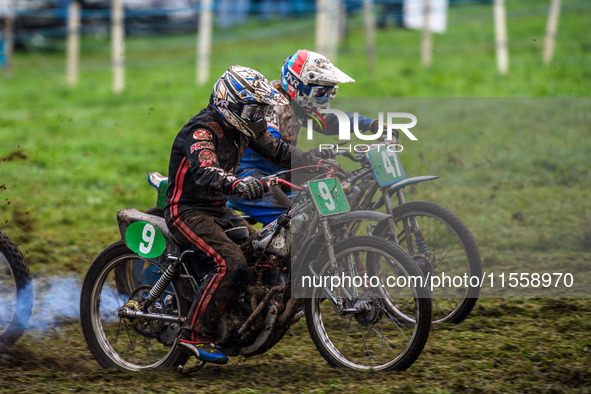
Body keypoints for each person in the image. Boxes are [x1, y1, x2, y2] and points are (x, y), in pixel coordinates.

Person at [164, 65, 330, 364]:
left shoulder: (245, 127)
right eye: (253, 111)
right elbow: (206, 169)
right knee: (231, 263)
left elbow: (279, 151)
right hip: (187, 212)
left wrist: (316, 161)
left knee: (263, 254)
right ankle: (193, 334)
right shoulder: (201, 131)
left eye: (260, 112)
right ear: (230, 104)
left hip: (219, 210)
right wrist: (238, 182)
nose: (257, 118)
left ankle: (236, 319)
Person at [228, 49, 383, 225]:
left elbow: (331, 121)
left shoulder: (299, 106)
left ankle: (332, 243)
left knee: (334, 179)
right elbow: (272, 147)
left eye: (328, 92)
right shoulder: (269, 105)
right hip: (249, 178)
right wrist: (312, 158)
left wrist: (371, 125)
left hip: (279, 173)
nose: (324, 98)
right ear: (296, 85)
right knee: (294, 222)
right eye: (319, 92)